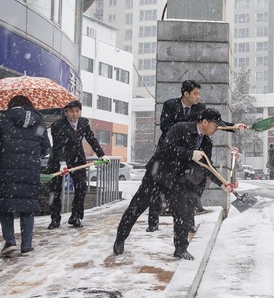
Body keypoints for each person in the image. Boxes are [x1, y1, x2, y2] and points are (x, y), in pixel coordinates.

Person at [113, 108, 234, 259]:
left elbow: (207, 165)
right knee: (136, 207)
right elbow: (166, 148)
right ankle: (120, 239)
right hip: (157, 175)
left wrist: (223, 184)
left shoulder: (206, 141)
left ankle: (181, 248)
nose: (217, 128)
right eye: (215, 125)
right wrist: (190, 154)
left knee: (181, 212)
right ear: (204, 122)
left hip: (177, 179)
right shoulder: (180, 128)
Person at [147, 80, 246, 232]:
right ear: (185, 94)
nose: (198, 97)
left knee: (189, 186)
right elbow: (165, 127)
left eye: (199, 93)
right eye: (195, 93)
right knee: (158, 187)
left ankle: (189, 223)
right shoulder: (170, 105)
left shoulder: (200, 109)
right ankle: (152, 225)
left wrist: (234, 127)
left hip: (191, 151)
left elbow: (212, 123)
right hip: (170, 151)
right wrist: (187, 128)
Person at [0, 95, 51, 255]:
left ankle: (10, 242)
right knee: (27, 207)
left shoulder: (1, 120)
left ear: (11, 105)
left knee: (6, 207)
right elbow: (46, 149)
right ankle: (26, 245)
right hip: (30, 172)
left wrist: (0, 141)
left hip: (5, 169)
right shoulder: (39, 123)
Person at [47, 100, 107, 229]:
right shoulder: (57, 125)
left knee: (81, 188)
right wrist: (62, 164)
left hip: (77, 160)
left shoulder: (84, 123)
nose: (75, 114)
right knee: (55, 191)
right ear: (66, 112)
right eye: (72, 111)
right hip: (59, 160)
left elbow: (91, 139)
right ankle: (55, 219)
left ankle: (75, 216)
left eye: (77, 111)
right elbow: (58, 147)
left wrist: (101, 154)